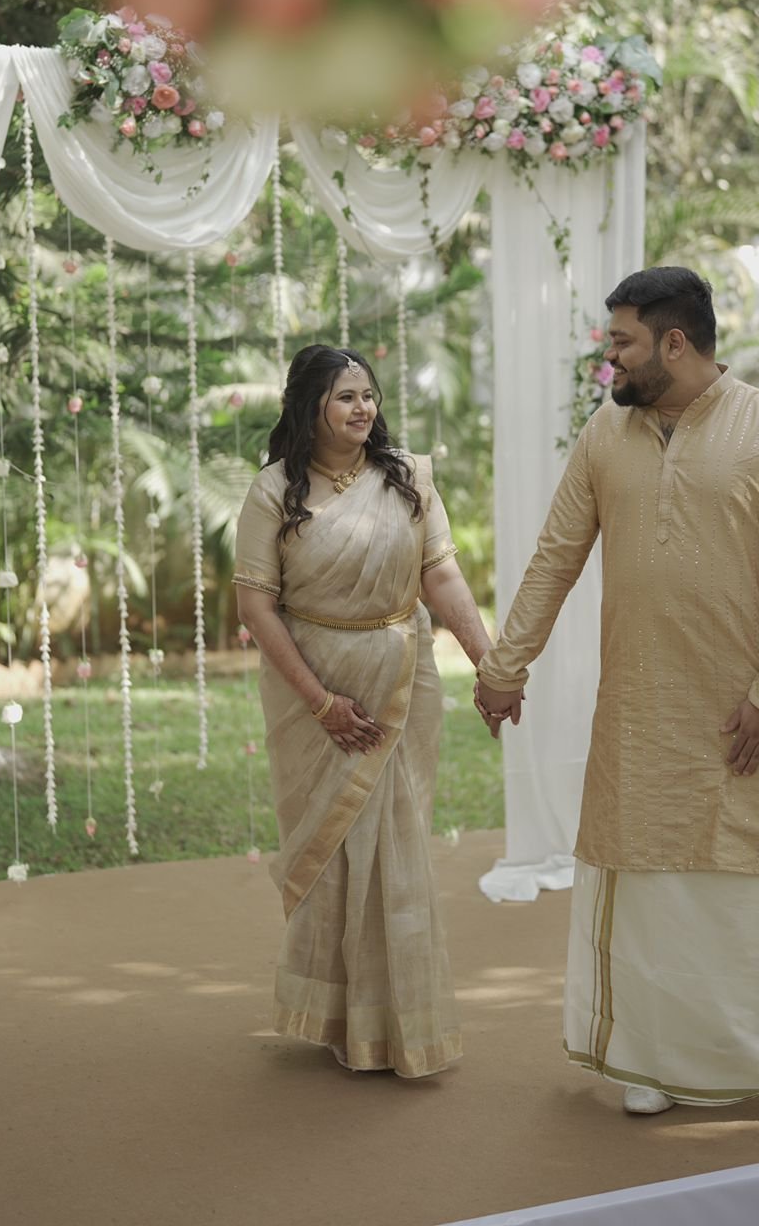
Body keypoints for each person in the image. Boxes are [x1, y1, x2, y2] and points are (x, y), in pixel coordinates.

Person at [474, 267, 759, 1139]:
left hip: (745, 719)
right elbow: (555, 556)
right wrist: (505, 666)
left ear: (674, 343)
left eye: (622, 342)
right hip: (642, 711)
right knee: (651, 894)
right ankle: (653, 1058)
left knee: (758, 900)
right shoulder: (605, 436)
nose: (609, 357)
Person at [234, 343, 492, 1077]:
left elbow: (442, 577)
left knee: (397, 848)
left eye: (368, 395)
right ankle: (338, 1016)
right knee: (334, 852)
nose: (362, 408)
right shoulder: (274, 490)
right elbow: (256, 606)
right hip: (313, 687)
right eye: (345, 396)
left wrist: (490, 663)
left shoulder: (407, 478)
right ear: (309, 405)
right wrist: (322, 704)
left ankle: (400, 1024)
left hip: (402, 679)